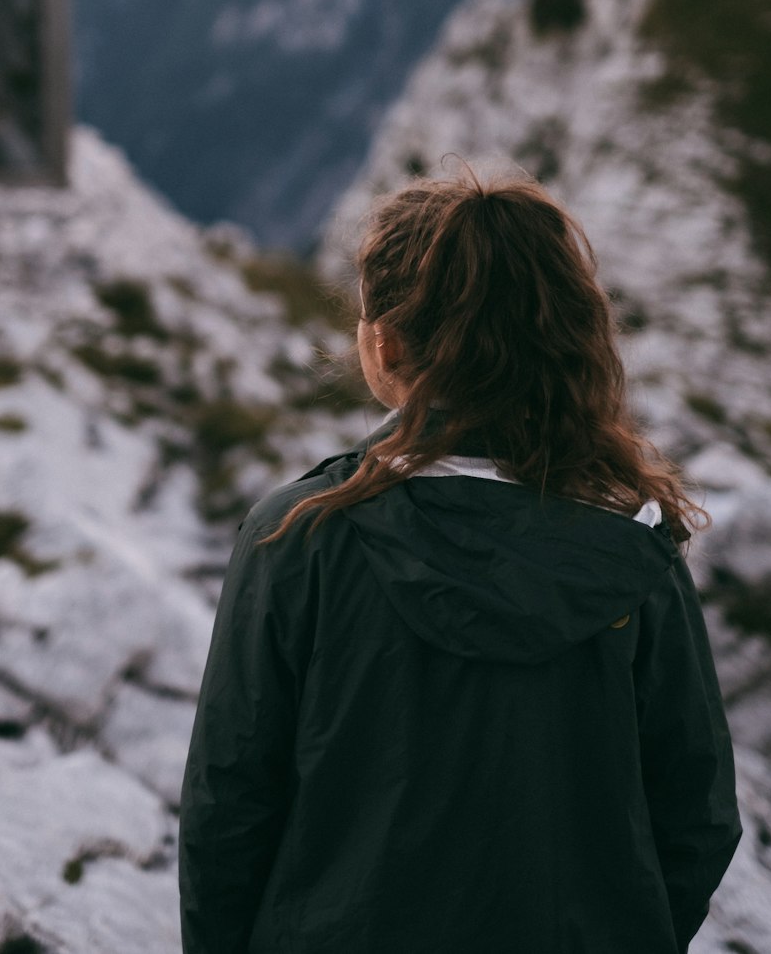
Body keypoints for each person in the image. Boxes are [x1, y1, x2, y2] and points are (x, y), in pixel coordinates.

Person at [179, 173, 741, 954]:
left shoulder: (298, 536)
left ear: (386, 346)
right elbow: (698, 817)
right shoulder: (635, 548)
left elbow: (227, 809)